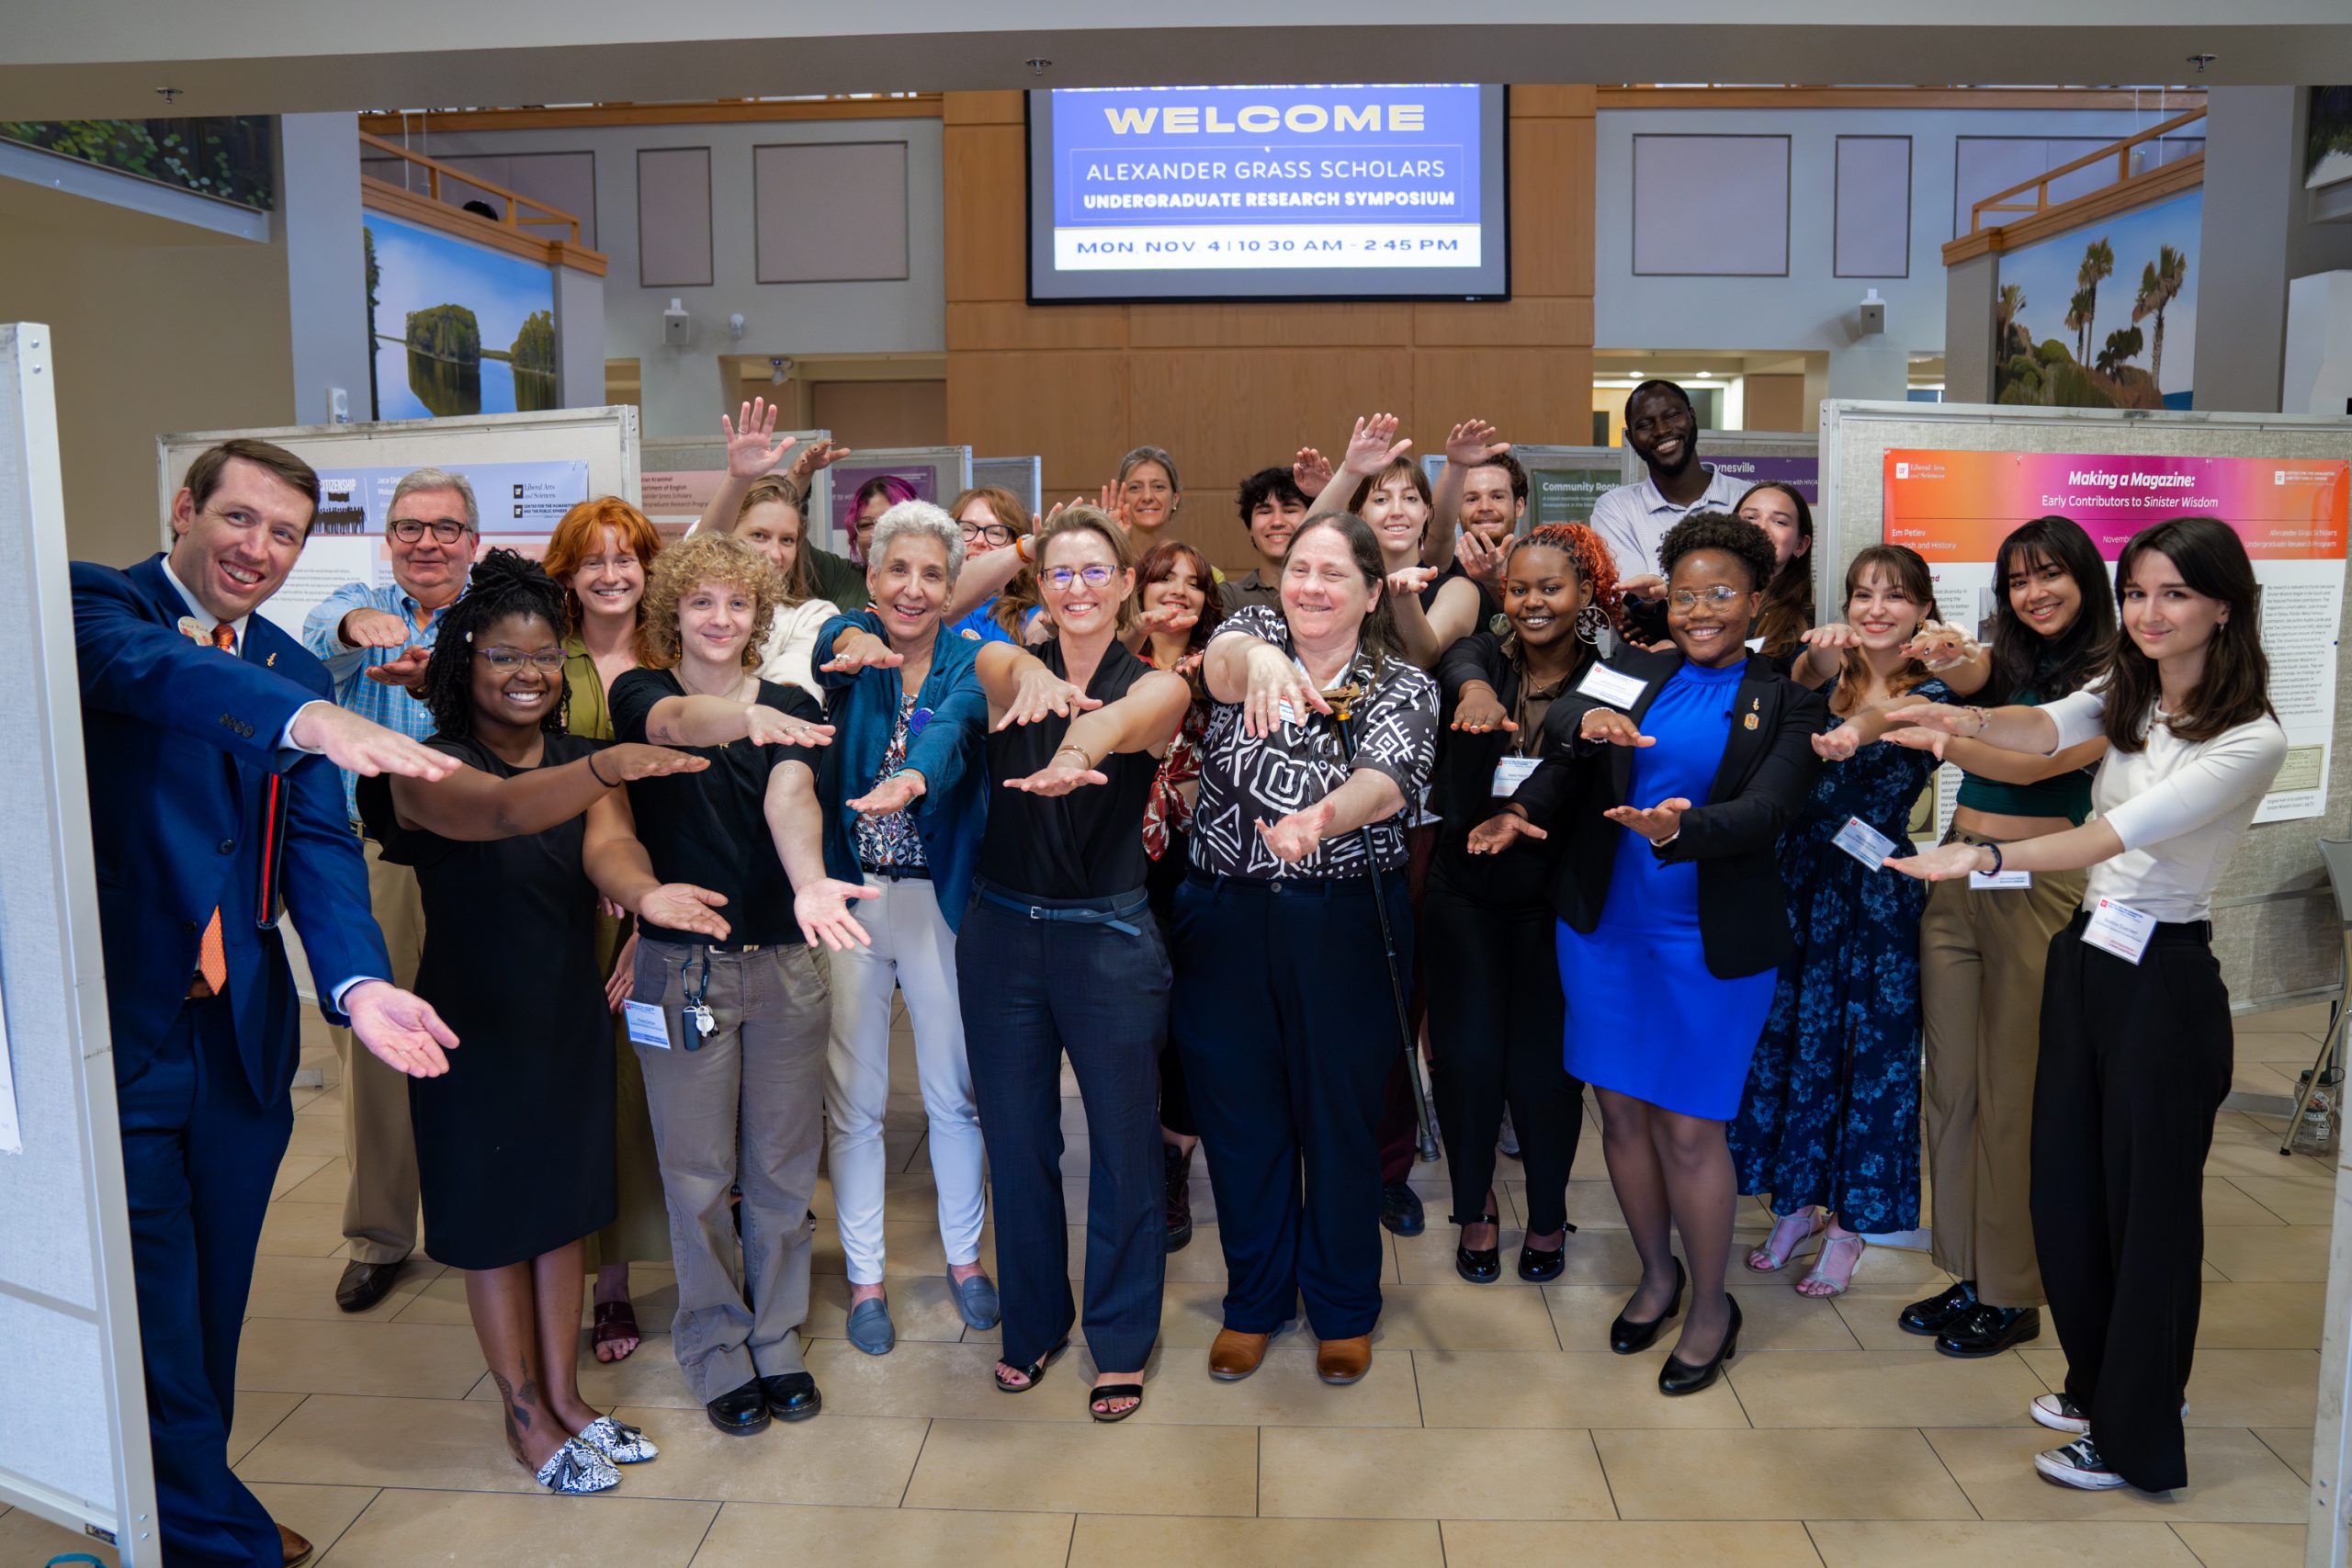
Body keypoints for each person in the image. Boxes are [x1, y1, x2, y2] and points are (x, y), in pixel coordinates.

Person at [74, 437, 461, 1567]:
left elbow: (319, 849)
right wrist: (311, 722)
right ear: (185, 510)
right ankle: (206, 1531)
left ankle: (183, 1495)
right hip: (125, 1032)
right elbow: (158, 677)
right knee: (151, 1300)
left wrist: (356, 981)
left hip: (241, 1042)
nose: (258, 550)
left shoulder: (289, 663)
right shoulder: (100, 606)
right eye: (238, 520)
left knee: (212, 1299)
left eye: (284, 533)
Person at [1884, 516, 2285, 1494]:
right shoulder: (2128, 692)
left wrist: (1981, 855)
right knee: (2069, 1189)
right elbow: (2043, 726)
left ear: (2221, 607)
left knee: (2146, 1213)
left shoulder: (2249, 737)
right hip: (2087, 960)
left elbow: (2114, 833)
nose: (2149, 613)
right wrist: (1964, 721)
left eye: (2174, 595)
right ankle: (2099, 1378)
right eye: (2138, 592)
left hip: (2163, 978)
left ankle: (2136, 1430)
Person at [362, 552, 724, 1493]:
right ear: (462, 663)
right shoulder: (425, 766)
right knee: (495, 1222)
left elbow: (611, 851)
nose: (526, 674)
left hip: (563, 1013)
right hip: (470, 1025)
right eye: (502, 658)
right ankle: (523, 1414)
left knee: (563, 1215)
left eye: (542, 659)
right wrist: (609, 762)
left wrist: (653, 898)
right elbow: (503, 813)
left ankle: (566, 1398)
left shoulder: (577, 761)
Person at [1469, 511, 1821, 1397]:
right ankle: (1656, 1275)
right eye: (1688, 594)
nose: (1702, 611)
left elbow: (1773, 808)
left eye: (1722, 594)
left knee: (1689, 1127)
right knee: (1620, 1116)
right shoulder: (1634, 667)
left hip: (1707, 940)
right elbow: (1570, 739)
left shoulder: (1782, 693)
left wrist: (1682, 827)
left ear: (1757, 598)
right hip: (1605, 928)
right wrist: (1527, 803)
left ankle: (1712, 1307)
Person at [610, 531, 869, 1437]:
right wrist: (742, 720)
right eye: (701, 603)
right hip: (679, 971)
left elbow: (789, 797)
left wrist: (806, 883)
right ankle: (714, 1344)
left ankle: (775, 1336)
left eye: (737, 603)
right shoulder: (641, 694)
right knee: (694, 1174)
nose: (720, 619)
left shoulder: (794, 702)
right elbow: (682, 728)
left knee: (781, 1171)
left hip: (786, 967)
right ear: (672, 613)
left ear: (759, 616)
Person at [1175, 513, 1440, 1388]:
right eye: (1300, 568)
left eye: (1335, 573)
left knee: (1339, 1117)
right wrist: (1259, 663)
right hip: (1226, 911)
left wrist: (1325, 817)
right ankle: (1254, 1302)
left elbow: (1387, 779)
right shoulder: (1247, 633)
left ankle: (1342, 1306)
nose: (1312, 587)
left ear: (1373, 591)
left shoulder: (1403, 684)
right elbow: (1221, 665)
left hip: (1346, 914)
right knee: (1241, 1116)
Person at [958, 507, 1193, 1419]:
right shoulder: (998, 666)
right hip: (1002, 936)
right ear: (1041, 587)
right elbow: (1000, 662)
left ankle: (1122, 1338)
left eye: (1098, 572)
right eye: (1063, 574)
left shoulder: (1157, 685)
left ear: (1127, 583)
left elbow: (1132, 723)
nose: (1081, 588)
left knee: (1126, 1145)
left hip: (1107, 937)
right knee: (1017, 1142)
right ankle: (1032, 1325)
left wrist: (1073, 746)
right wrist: (1032, 674)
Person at [1898, 516, 2113, 1358]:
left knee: (2016, 1089)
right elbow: (1978, 669)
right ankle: (1963, 1267)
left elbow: (2033, 766)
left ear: (2085, 579)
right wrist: (1952, 665)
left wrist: (1941, 729)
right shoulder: (2008, 657)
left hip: (2038, 881)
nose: (2035, 594)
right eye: (2019, 580)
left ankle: (2016, 1285)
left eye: (2051, 575)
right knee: (1952, 1084)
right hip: (1956, 874)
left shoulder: (2112, 675)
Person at [1728, 545, 1951, 1295]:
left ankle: (1852, 1225)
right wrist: (1816, 668)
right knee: (1792, 1044)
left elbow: (1910, 717)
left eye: (1895, 595)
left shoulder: (1942, 687)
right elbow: (1790, 690)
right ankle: (1795, 1202)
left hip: (1877, 887)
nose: (1876, 608)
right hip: (1800, 875)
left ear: (1924, 607)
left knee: (1870, 1057)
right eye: (1862, 594)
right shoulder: (1828, 670)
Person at [810, 502, 999, 1354]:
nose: (913, 589)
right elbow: (831, 646)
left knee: (952, 1093)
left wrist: (914, 781)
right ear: (872, 575)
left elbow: (953, 736)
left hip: (933, 899)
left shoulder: (970, 664)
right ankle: (865, 1277)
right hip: (851, 899)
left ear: (952, 585)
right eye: (898, 570)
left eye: (931, 573)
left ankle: (964, 1260)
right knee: (853, 1100)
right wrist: (851, 639)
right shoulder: (849, 651)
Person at [300, 465, 481, 1314]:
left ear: (474, 541)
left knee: (493, 1039)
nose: (427, 544)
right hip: (381, 858)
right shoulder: (359, 602)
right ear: (388, 539)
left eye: (445, 528)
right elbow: (319, 628)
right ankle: (379, 1234)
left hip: (488, 857)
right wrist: (354, 622)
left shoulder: (502, 612)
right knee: (375, 1053)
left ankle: (487, 1214)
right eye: (410, 527)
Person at [1433, 525, 1621, 1282]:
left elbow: (1579, 742)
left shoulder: (1609, 682)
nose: (1534, 602)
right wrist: (1475, 690)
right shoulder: (1481, 657)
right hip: (1464, 890)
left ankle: (1547, 1214)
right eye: (1519, 588)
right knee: (1469, 1060)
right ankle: (1474, 1207)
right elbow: (1460, 655)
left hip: (1551, 896)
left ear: (1584, 594)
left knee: (1545, 1071)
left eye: (1552, 587)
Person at [540, 497, 673, 1364]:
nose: (612, 573)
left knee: (638, 1095)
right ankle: (557, 1267)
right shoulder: (542, 659)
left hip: (658, 902)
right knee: (563, 1090)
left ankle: (616, 1281)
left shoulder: (676, 658)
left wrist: (648, 908)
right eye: (594, 559)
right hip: (554, 897)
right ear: (567, 572)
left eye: (628, 558)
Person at [693, 399, 1027, 624]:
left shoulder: (810, 621)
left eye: (996, 532)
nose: (774, 551)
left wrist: (1029, 549)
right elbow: (710, 550)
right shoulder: (831, 588)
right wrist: (767, 479)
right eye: (868, 524)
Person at [1128, 539, 1224, 1248]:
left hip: (1202, 866)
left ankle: (1173, 1158)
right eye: (1165, 579)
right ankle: (1129, 1152)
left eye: (1193, 584)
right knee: (1134, 1019)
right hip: (1118, 868)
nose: (1180, 592)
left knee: (1192, 1020)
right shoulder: (1109, 666)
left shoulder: (1225, 670)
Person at [1589, 380, 1748, 580]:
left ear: (1692, 416)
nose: (1662, 430)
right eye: (1645, 425)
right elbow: (1633, 596)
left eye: (1672, 416)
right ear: (1630, 439)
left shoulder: (1748, 499)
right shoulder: (1616, 509)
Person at [728, 478, 842, 696]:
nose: (774, 554)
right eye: (759, 536)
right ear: (728, 537)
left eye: (787, 540)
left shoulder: (812, 616)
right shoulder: (695, 610)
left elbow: (792, 702)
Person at [1738, 481, 1815, 668]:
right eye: (1750, 518)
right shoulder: (1703, 597)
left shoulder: (1805, 622)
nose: (1761, 528)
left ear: (1801, 545)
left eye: (1779, 521)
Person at [1216, 466, 1312, 615]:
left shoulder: (1325, 590)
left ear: (1312, 519)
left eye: (1289, 511)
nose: (1277, 522)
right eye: (1265, 512)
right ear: (1250, 528)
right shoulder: (1229, 596)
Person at [945, 485, 1027, 645]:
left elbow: (1043, 630)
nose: (979, 541)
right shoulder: (929, 603)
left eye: (995, 533)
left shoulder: (1029, 615)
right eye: (967, 529)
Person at [1113, 444, 1182, 536]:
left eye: (1158, 487)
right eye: (1135, 488)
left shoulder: (1186, 551)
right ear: (1121, 498)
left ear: (1175, 498)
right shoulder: (1104, 549)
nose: (1147, 497)